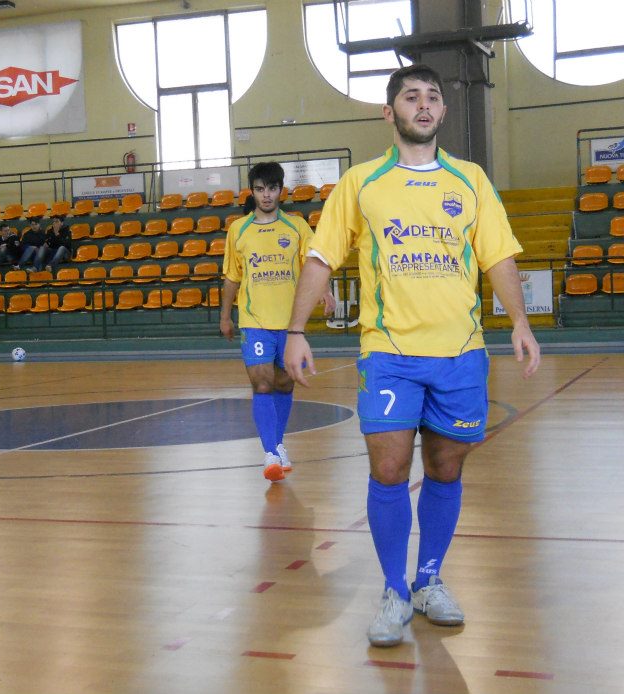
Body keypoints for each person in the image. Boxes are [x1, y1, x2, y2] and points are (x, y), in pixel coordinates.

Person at [283, 64, 541, 647]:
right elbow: (322, 258)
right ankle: (394, 592)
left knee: (446, 468)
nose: (422, 105)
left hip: (460, 355)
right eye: (410, 97)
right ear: (389, 112)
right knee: (390, 470)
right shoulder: (362, 183)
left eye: (432, 96)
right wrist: (296, 330)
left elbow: (497, 257)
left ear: (443, 112)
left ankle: (428, 581)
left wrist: (519, 322)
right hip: (389, 353)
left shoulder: (470, 180)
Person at [220, 161, 335, 483]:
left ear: (280, 190)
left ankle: (278, 444)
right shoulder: (238, 230)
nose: (266, 195)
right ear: (252, 191)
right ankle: (270, 452)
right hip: (254, 321)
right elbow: (231, 277)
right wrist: (225, 315)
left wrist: (324, 290)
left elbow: (313, 265)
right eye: (259, 189)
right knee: (262, 382)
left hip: (289, 325)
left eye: (271, 189)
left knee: (284, 384)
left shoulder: (297, 227)